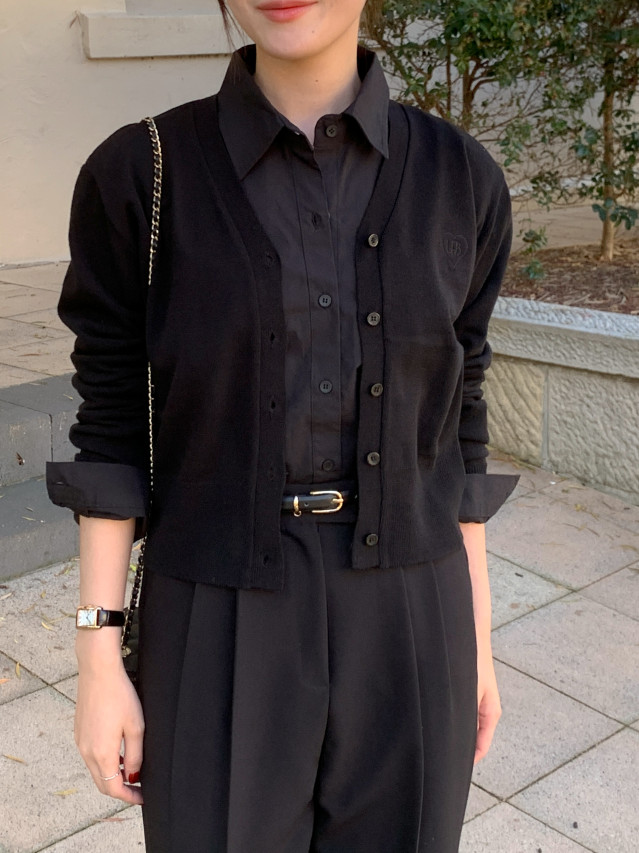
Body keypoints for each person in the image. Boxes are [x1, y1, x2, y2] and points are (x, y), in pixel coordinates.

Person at [47, 1, 519, 850]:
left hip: (413, 615)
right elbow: (111, 424)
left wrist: (475, 641)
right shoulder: (142, 175)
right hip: (215, 608)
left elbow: (458, 426)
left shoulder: (461, 180)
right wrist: (98, 657)